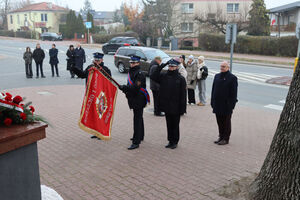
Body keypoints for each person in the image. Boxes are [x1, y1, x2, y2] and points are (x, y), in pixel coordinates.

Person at [71, 52, 112, 140]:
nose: (96, 62)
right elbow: (82, 75)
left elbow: (109, 83)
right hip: (91, 95)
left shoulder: (105, 70)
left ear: (102, 60)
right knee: (93, 114)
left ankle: (101, 132)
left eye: (98, 60)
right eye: (95, 60)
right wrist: (74, 68)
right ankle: (96, 131)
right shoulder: (90, 68)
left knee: (100, 115)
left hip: (101, 97)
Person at [150, 58, 187, 149]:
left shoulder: (180, 79)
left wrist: (183, 109)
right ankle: (170, 140)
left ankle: (175, 141)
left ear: (176, 67)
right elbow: (153, 76)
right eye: (169, 66)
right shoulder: (164, 76)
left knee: (175, 124)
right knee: (169, 124)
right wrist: (162, 65)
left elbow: (183, 95)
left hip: (176, 106)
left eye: (172, 66)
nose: (170, 68)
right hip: (166, 105)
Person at [119, 56, 149, 150]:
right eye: (131, 63)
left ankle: (136, 141)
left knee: (137, 119)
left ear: (138, 63)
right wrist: (125, 90)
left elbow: (136, 87)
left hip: (139, 99)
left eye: (134, 63)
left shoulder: (140, 74)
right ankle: (140, 135)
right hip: (134, 98)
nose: (132, 64)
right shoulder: (131, 72)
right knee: (139, 117)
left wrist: (125, 88)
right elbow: (130, 86)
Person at [211, 61, 238, 145]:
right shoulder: (217, 76)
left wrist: (231, 105)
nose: (222, 68)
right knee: (219, 121)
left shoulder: (232, 78)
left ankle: (226, 138)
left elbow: (234, 93)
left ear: (228, 68)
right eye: (221, 66)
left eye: (224, 66)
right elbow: (213, 89)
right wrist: (212, 101)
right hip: (217, 103)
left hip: (227, 104)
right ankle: (221, 136)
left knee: (226, 122)